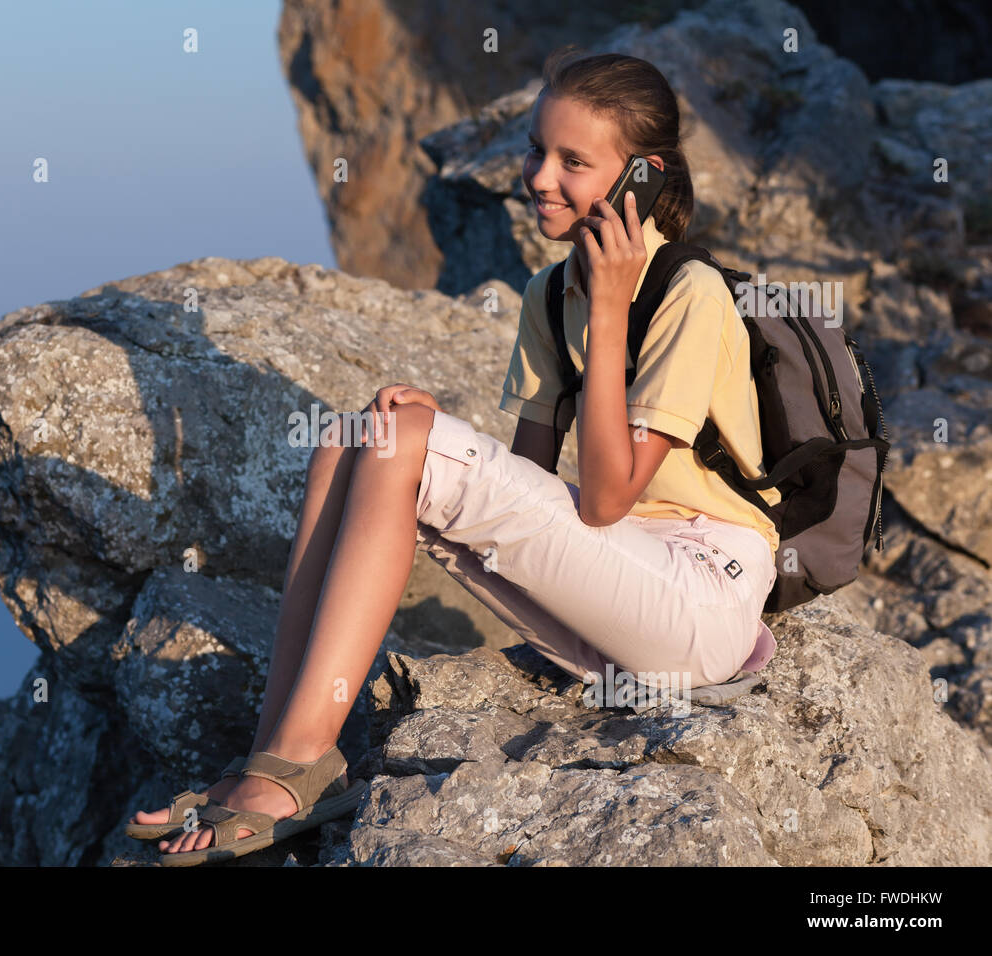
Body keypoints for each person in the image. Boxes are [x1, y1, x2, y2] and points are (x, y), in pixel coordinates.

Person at [130, 49, 779, 864]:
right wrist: (431, 434)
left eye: (574, 161)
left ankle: (297, 769)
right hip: (624, 590)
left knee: (402, 443)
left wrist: (611, 315)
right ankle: (276, 755)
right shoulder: (553, 294)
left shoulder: (690, 292)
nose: (540, 176)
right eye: (538, 150)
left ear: (641, 178)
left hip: (701, 600)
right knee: (354, 437)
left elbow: (610, 499)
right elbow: (534, 494)